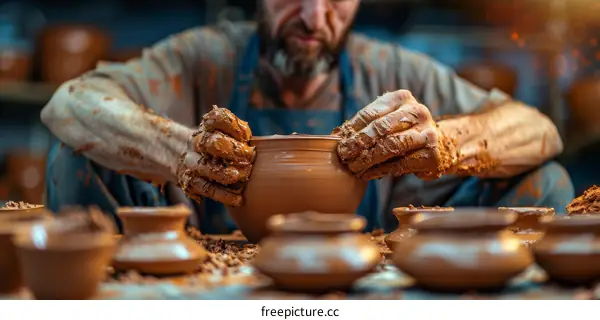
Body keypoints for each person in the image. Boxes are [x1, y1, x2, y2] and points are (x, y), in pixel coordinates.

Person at [41, 0, 573, 234]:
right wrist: (178, 151)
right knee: (75, 158)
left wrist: (449, 141)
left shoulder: (389, 67)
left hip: (357, 279)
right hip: (204, 272)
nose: (315, 18)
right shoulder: (202, 57)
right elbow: (69, 103)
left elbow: (539, 130)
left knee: (543, 181)